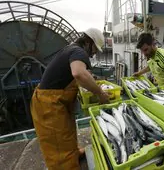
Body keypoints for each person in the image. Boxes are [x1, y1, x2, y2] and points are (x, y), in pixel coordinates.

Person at [30, 28, 110, 170]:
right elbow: (78, 73)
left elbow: (76, 73)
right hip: (49, 103)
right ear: (89, 42)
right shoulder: (79, 52)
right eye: (95, 49)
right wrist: (100, 93)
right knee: (57, 141)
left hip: (56, 101)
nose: (93, 54)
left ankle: (73, 154)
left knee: (67, 132)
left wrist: (92, 79)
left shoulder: (70, 49)